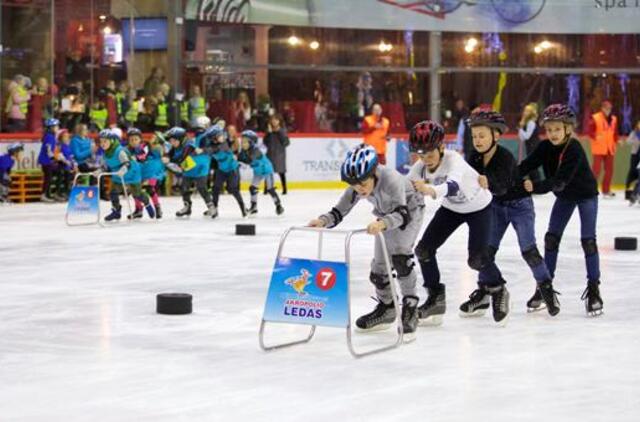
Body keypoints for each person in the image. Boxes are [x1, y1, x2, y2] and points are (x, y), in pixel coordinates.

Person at [307, 144, 425, 339]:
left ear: (374, 174)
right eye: (354, 184)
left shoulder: (391, 179)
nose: (359, 189)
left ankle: (410, 305)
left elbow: (402, 215)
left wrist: (383, 223)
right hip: (385, 216)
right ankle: (387, 307)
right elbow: (339, 210)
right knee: (379, 271)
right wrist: (322, 221)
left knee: (400, 258)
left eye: (363, 183)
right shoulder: (357, 185)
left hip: (409, 211)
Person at [408, 120, 510, 326]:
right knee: (424, 251)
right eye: (421, 154)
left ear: (442, 148)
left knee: (477, 260)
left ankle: (498, 288)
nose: (426, 159)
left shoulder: (455, 160)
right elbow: (404, 187)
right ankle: (436, 299)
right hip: (452, 209)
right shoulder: (420, 166)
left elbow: (452, 186)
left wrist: (431, 190)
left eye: (430, 154)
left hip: (479, 208)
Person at [467, 110, 559, 316]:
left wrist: (487, 182)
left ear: (496, 136)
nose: (478, 140)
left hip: (520, 205)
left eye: (482, 136)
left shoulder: (505, 157)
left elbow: (500, 187)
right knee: (485, 253)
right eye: (474, 136)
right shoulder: (474, 157)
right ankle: (484, 291)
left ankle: (546, 289)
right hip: (497, 207)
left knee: (529, 250)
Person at [518, 104, 603, 317]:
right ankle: (544, 287)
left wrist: (535, 187)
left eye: (557, 129)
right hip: (565, 197)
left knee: (588, 241)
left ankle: (594, 290)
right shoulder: (545, 147)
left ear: (567, 129)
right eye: (549, 129)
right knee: (551, 239)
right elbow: (527, 165)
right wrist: (507, 176)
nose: (553, 134)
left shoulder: (573, 148)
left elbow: (560, 181)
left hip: (585, 195)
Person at [99, 129, 155, 222]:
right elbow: (107, 166)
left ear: (112, 141)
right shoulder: (106, 153)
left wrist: (123, 170)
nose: (102, 144)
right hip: (118, 174)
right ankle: (116, 211)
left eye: (105, 141)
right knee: (113, 193)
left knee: (137, 194)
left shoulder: (120, 151)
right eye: (101, 141)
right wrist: (99, 170)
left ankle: (147, 203)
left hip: (132, 173)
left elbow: (127, 164)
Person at [163, 126, 217, 218]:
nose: (172, 143)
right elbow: (170, 153)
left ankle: (211, 207)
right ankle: (187, 207)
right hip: (188, 167)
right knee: (184, 188)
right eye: (170, 141)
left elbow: (181, 158)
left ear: (180, 139)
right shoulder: (176, 145)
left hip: (200, 166)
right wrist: (167, 156)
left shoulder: (189, 146)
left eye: (173, 140)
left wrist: (169, 161)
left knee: (201, 187)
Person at [238, 130, 284, 216]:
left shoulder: (256, 151)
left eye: (245, 142)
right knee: (252, 188)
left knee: (270, 189)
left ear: (251, 143)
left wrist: (237, 159)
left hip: (267, 170)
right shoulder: (243, 151)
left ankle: (278, 205)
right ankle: (254, 207)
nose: (242, 144)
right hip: (258, 171)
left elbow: (249, 160)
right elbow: (241, 160)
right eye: (242, 141)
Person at [209, 125, 247, 217]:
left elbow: (217, 149)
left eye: (222, 135)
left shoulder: (223, 144)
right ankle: (215, 209)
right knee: (215, 189)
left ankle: (243, 207)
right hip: (221, 170)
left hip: (231, 169)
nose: (223, 137)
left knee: (233, 189)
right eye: (220, 135)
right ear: (215, 138)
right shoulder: (213, 145)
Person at [127, 128, 165, 219]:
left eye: (136, 139)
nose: (133, 141)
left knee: (149, 188)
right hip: (141, 171)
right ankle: (138, 210)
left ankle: (157, 207)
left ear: (140, 139)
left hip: (152, 170)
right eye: (131, 140)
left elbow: (142, 156)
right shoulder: (128, 149)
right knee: (135, 190)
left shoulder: (145, 145)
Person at [590, 100, 618, 197]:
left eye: (609, 108)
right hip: (598, 147)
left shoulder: (614, 119)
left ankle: (606, 191)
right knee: (596, 170)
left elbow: (614, 132)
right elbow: (590, 131)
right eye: (606, 108)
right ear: (602, 108)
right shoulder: (596, 117)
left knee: (609, 170)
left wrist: (616, 141)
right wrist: (594, 136)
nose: (608, 110)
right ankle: (590, 189)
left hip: (609, 148)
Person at [263, 114, 289, 195]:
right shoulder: (269, 131)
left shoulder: (282, 131)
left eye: (276, 120)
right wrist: (269, 133)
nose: (274, 121)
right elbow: (265, 142)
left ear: (279, 121)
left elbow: (286, 142)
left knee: (281, 172)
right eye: (273, 120)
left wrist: (278, 132)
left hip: (279, 154)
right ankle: (266, 189)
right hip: (270, 154)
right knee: (268, 172)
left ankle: (284, 189)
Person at [518, 103, 541, 182]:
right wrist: (521, 126)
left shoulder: (531, 123)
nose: (524, 113)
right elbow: (522, 137)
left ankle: (536, 181)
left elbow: (527, 136)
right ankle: (533, 181)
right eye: (525, 111)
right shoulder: (527, 123)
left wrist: (521, 129)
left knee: (532, 165)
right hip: (529, 146)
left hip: (533, 146)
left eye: (527, 111)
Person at [38, 118, 60, 202]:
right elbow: (48, 149)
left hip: (47, 160)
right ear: (51, 128)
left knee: (50, 177)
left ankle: (49, 193)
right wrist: (53, 158)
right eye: (56, 126)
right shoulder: (49, 136)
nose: (58, 128)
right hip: (46, 161)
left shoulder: (51, 136)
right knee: (48, 178)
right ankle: (44, 194)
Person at [54, 129, 76, 201]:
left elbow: (71, 156)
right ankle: (58, 193)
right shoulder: (59, 146)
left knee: (68, 179)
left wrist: (74, 164)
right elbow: (58, 155)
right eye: (65, 137)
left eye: (67, 137)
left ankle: (67, 192)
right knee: (60, 178)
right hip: (61, 166)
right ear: (61, 138)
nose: (67, 138)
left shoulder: (68, 146)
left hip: (68, 167)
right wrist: (65, 161)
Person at [624, 120, 640, 202]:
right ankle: (628, 192)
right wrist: (636, 142)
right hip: (635, 154)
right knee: (632, 172)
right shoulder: (634, 133)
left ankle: (636, 193)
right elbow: (628, 141)